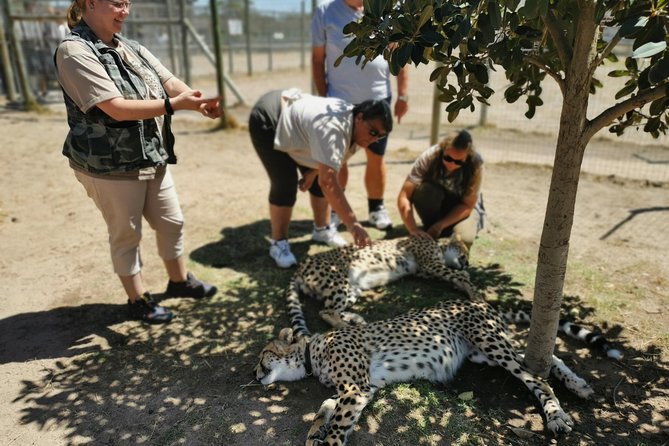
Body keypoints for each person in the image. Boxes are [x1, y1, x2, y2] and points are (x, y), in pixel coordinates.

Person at [54, 0, 222, 324]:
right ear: (90, 3)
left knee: (172, 222)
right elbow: (115, 107)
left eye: (128, 3)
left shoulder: (131, 47)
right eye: (117, 3)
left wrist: (197, 102)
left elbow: (168, 81)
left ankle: (178, 281)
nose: (125, 11)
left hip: (150, 157)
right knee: (126, 235)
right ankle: (139, 299)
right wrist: (176, 105)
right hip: (110, 167)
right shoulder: (74, 52)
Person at [249, 88, 392, 268]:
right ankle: (278, 244)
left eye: (381, 136)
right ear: (359, 117)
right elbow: (329, 182)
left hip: (298, 124)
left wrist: (313, 172)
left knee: (319, 176)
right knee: (285, 183)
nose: (375, 139)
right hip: (270, 118)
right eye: (373, 132)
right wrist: (353, 224)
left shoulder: (358, 129)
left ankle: (322, 229)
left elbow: (331, 163)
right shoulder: (333, 128)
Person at [312, 0, 409, 230]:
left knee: (376, 157)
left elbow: (399, 56)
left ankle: (376, 209)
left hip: (379, 99)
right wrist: (325, 99)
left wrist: (403, 95)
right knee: (338, 160)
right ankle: (336, 211)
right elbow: (318, 60)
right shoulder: (325, 11)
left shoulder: (387, 9)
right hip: (340, 102)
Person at [397, 130, 485, 252]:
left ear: (467, 158)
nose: (452, 164)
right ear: (443, 149)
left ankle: (447, 228)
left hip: (460, 207)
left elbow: (467, 205)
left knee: (465, 240)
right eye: (448, 158)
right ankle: (432, 228)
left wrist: (440, 225)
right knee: (427, 190)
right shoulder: (431, 155)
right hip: (436, 199)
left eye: (459, 162)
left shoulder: (475, 164)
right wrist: (413, 229)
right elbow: (404, 195)